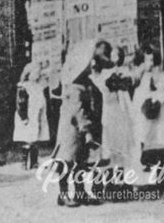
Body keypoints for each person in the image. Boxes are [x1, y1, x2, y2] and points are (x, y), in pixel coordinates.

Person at [53, 40, 108, 207]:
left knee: (80, 164)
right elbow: (79, 112)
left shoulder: (85, 83)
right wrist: (88, 131)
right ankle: (63, 194)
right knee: (67, 163)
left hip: (80, 132)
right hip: (72, 132)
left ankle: (80, 192)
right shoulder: (75, 87)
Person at [95, 46, 136, 175]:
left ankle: (121, 175)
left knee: (121, 143)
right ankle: (111, 176)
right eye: (112, 56)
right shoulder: (102, 74)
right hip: (108, 110)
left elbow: (126, 88)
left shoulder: (122, 72)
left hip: (119, 109)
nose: (114, 59)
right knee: (109, 145)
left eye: (117, 56)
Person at [13, 61, 49, 170]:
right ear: (29, 73)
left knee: (35, 139)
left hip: (37, 116)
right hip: (28, 116)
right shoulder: (24, 86)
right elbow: (21, 103)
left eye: (39, 72)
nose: (38, 74)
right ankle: (24, 162)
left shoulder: (39, 86)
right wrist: (24, 117)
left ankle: (34, 162)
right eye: (36, 72)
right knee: (27, 139)